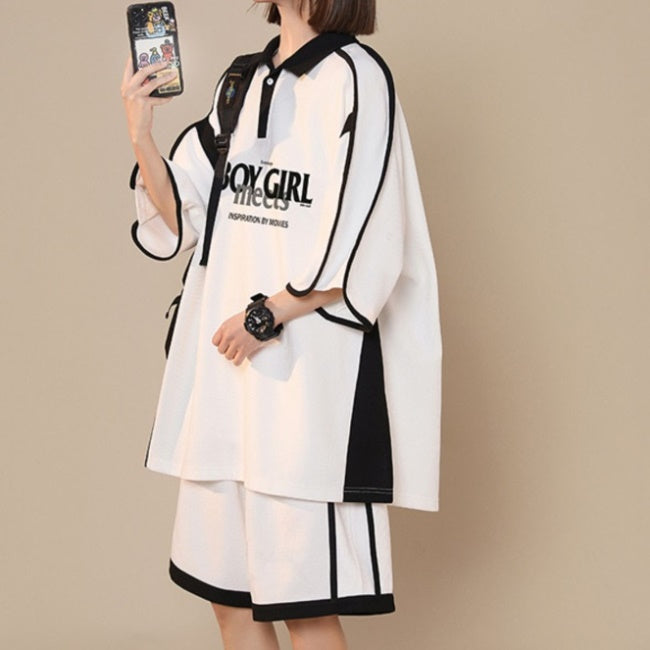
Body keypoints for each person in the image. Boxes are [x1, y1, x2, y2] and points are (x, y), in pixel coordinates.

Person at [120, 1, 442, 648]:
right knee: (230, 605)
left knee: (306, 609)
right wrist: (140, 131)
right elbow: (182, 215)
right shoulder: (241, 80)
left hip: (306, 391)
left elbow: (370, 228)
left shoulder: (357, 76)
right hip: (223, 383)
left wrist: (269, 313)